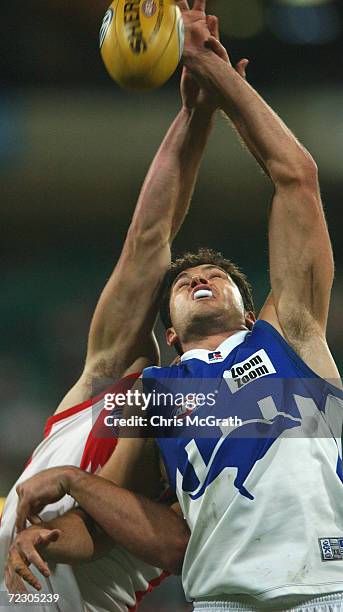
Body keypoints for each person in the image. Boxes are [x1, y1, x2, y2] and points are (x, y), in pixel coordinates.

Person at [6, 1, 343, 611]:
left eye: (218, 275)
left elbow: (297, 178)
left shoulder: (288, 341)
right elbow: (99, 520)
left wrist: (218, 76)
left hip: (324, 591)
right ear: (167, 332)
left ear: (250, 313)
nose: (201, 277)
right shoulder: (154, 395)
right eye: (185, 283)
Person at [0, 12, 226, 608]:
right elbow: (146, 239)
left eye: (209, 284)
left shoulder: (194, 424)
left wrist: (59, 510)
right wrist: (196, 112)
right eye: (181, 283)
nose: (190, 282)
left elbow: (152, 541)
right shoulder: (103, 386)